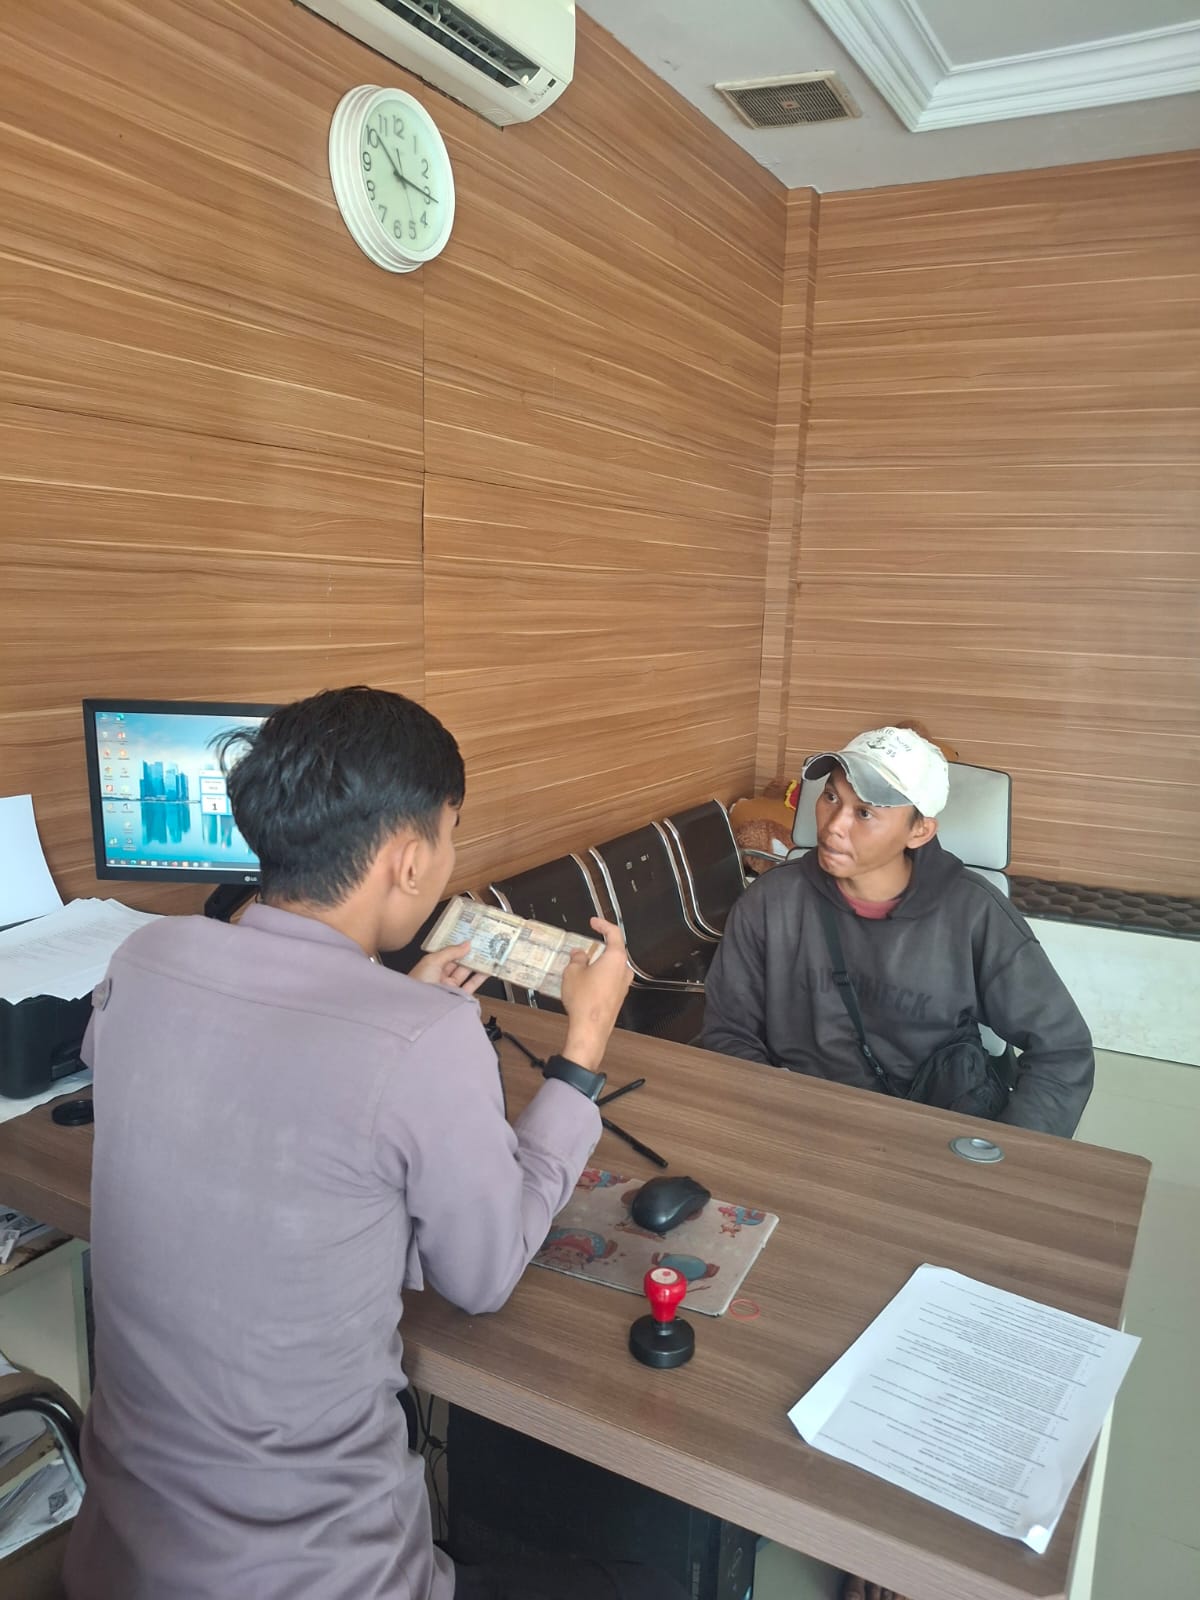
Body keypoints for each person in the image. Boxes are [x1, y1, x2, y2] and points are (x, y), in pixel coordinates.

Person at [63, 686, 686, 1600]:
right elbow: (481, 1276)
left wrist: (389, 998)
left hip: (118, 1561)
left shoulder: (142, 961)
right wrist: (584, 1049)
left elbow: (236, 1083)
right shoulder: (423, 1041)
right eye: (450, 835)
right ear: (409, 860)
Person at [699, 725, 1094, 1137]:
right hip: (803, 1123)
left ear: (919, 831)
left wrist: (1007, 1154)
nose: (834, 826)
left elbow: (1063, 1050)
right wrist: (772, 1122)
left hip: (934, 1129)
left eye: (865, 813)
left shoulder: (973, 913)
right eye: (831, 797)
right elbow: (729, 1032)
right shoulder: (770, 902)